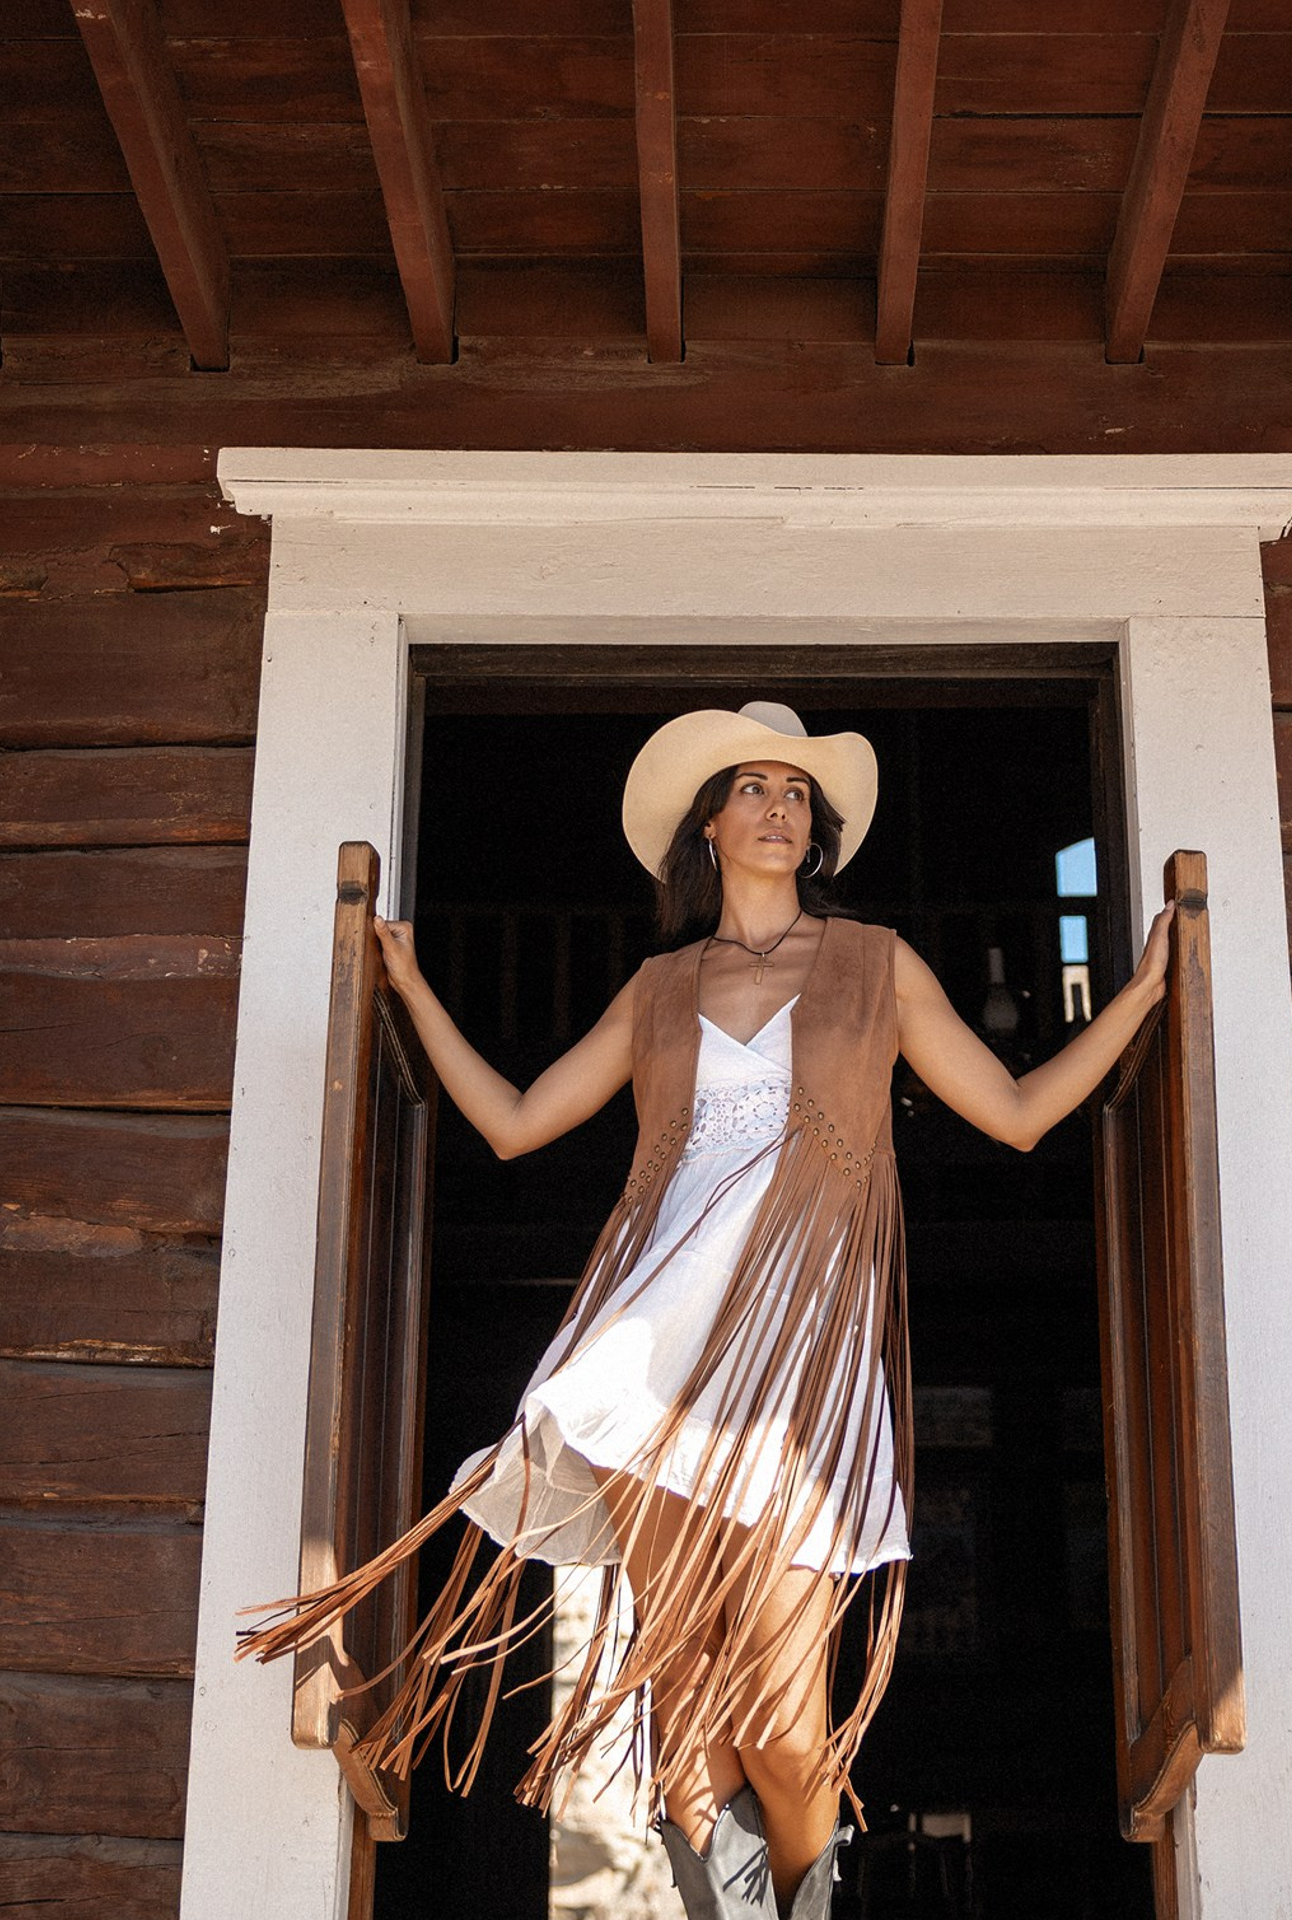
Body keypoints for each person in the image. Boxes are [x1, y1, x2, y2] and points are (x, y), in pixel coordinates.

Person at [237, 700, 1174, 1920]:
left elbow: (1016, 1111)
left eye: (798, 794)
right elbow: (518, 1125)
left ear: (817, 833)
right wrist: (407, 988)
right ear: (709, 825)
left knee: (788, 1736)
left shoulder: (877, 963)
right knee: (689, 1734)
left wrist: (1145, 1000)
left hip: (802, 1367)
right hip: (654, 1359)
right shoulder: (660, 985)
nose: (779, 809)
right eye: (753, 789)